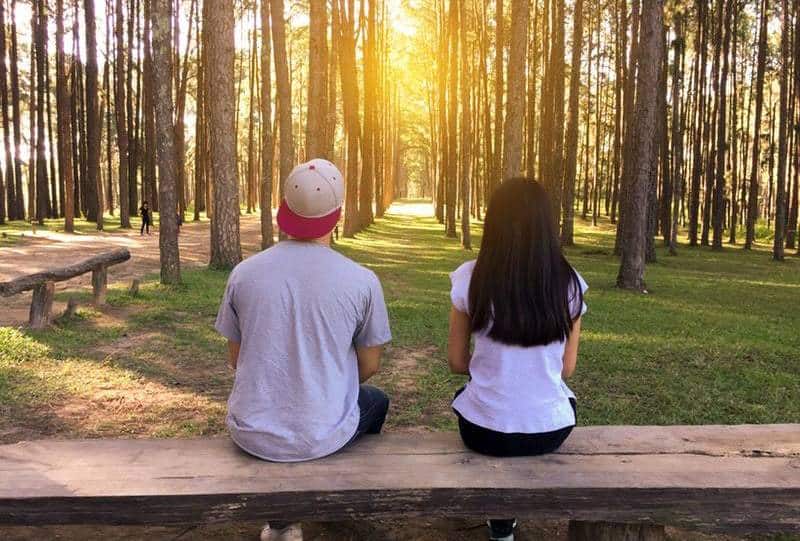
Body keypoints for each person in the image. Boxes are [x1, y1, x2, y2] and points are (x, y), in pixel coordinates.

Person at [214, 159, 392, 541]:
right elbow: (371, 364)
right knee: (375, 401)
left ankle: (281, 524)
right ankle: (341, 498)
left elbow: (235, 359)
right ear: (338, 215)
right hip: (321, 433)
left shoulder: (243, 274)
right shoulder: (362, 280)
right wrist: (327, 379)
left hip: (251, 430)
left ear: (282, 207)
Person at [447, 178, 587, 541]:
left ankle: (501, 523)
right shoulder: (570, 284)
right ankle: (505, 519)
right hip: (549, 432)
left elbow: (456, 361)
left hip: (483, 432)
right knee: (551, 398)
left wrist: (492, 365)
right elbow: (566, 369)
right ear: (547, 225)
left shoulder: (469, 278)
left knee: (487, 401)